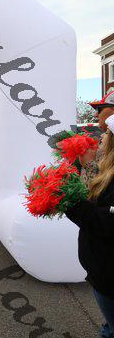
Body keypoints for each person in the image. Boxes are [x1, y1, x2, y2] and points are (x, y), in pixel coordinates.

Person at [65, 96, 114, 337]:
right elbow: (96, 193)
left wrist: (65, 198)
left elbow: (103, 219)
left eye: (100, 109)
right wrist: (83, 165)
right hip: (101, 270)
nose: (100, 137)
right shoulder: (106, 163)